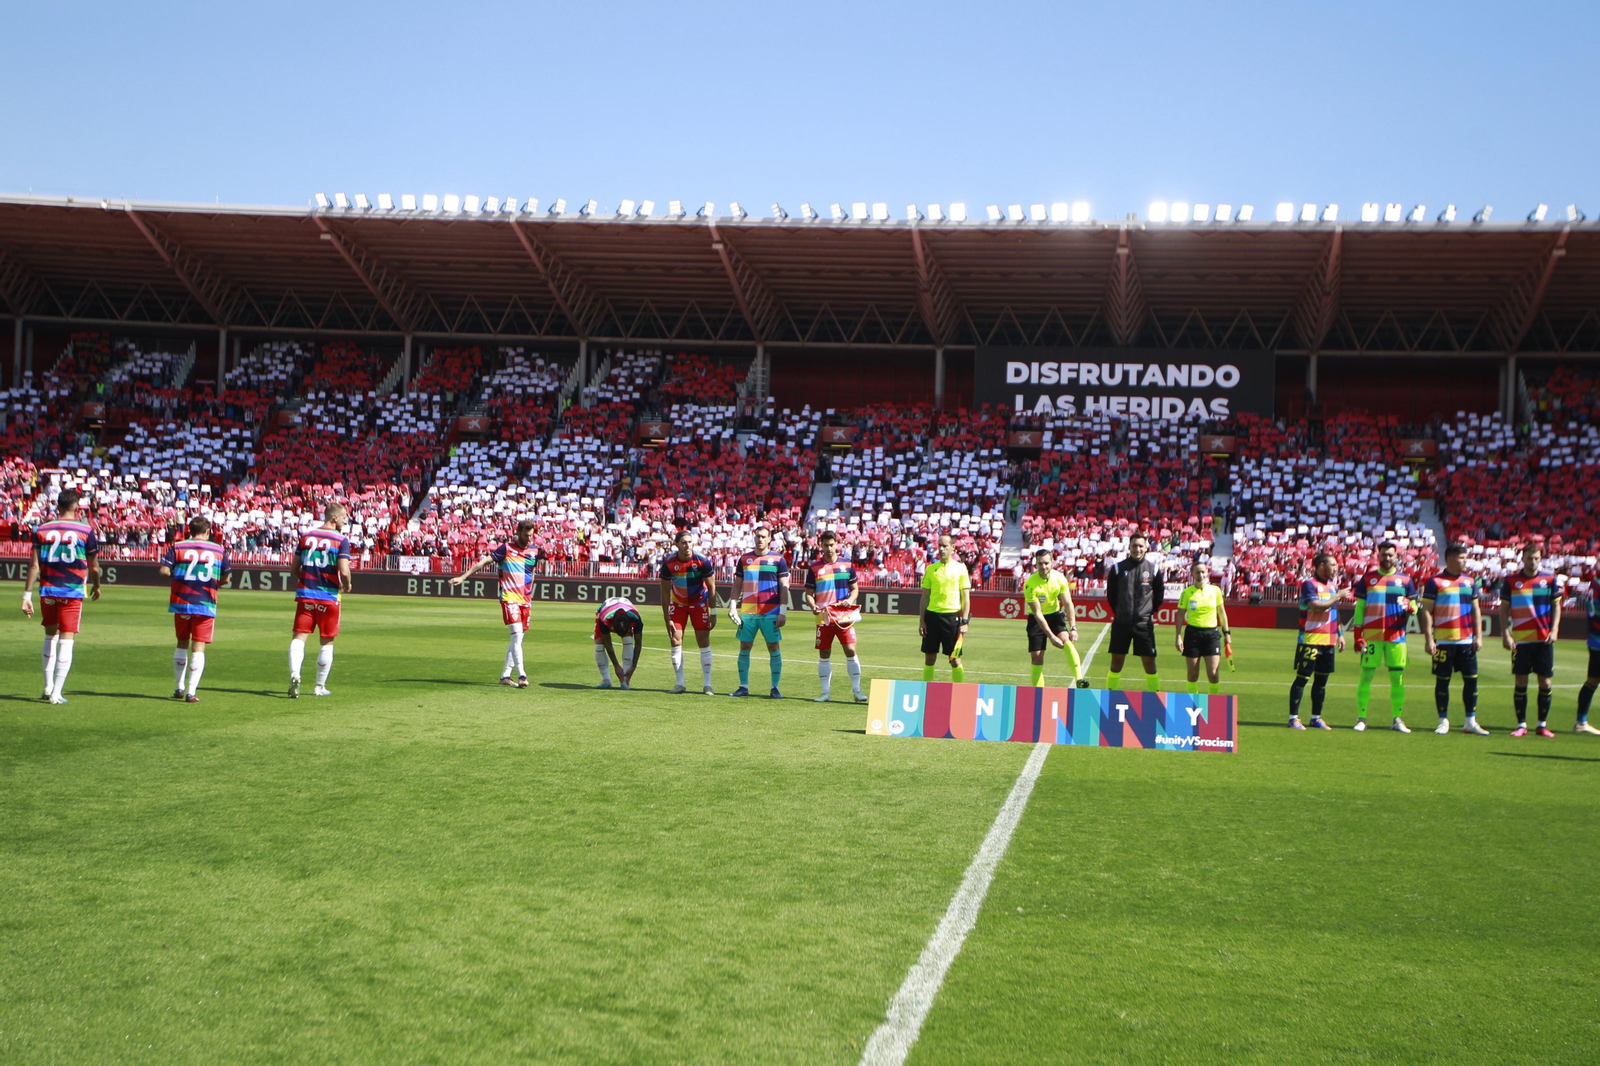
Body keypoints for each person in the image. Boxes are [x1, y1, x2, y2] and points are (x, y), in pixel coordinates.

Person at [20, 488, 101, 705]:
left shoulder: (42, 529)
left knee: (49, 636)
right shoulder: (86, 530)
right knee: (67, 639)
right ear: (76, 506)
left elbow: (34, 565)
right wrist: (97, 585)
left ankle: (47, 687)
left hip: (47, 589)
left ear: (58, 505)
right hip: (72, 591)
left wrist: (26, 595)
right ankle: (56, 692)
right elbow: (94, 567)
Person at [449, 517, 536, 687]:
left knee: (517, 640)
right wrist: (463, 577)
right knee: (517, 635)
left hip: (525, 600)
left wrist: (529, 593)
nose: (528, 539)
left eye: (531, 535)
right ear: (518, 533)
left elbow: (531, 573)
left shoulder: (534, 551)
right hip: (509, 598)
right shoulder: (506, 549)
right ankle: (522, 675)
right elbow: (483, 563)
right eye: (526, 535)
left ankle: (505, 676)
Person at [157, 515, 231, 703]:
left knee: (182, 642)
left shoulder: (178, 546)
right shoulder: (218, 549)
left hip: (181, 602)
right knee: (198, 647)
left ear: (190, 531)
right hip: (205, 602)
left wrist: (180, 576)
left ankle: (179, 687)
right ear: (207, 531)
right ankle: (191, 692)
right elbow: (226, 579)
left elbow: (164, 571)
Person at [1419, 543, 1488, 735]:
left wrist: (1478, 636)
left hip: (1467, 642)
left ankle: (1470, 721)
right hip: (1443, 641)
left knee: (1471, 681)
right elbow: (1427, 611)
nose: (1465, 561)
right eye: (1462, 558)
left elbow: (1476, 610)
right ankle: (1443, 721)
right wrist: (1429, 639)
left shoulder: (1470, 582)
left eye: (1466, 557)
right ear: (1450, 559)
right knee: (1442, 681)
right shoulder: (1435, 582)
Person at [289, 502, 353, 699]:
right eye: (343, 518)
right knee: (327, 642)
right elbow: (343, 570)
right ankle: (319, 686)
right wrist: (347, 584)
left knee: (299, 638)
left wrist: (308, 580)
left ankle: (295, 674)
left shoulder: (306, 537)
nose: (344, 521)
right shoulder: (341, 539)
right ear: (334, 518)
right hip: (329, 597)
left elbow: (293, 569)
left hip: (306, 594)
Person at [1351, 540, 1416, 732]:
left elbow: (1414, 606)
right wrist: (1357, 635)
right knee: (1366, 676)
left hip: (1396, 637)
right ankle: (1361, 718)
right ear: (1378, 556)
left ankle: (1397, 719)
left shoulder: (1406, 580)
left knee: (1397, 679)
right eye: (1384, 554)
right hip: (1371, 636)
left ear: (1396, 557)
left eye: (1390, 555)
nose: (1387, 558)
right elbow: (1360, 608)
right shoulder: (1367, 579)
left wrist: (1412, 608)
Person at [1498, 543, 1560, 738]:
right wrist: (1506, 633)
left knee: (1545, 682)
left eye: (1536, 558)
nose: (1532, 562)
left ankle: (1542, 725)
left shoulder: (1549, 579)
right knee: (1521, 680)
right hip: (1521, 640)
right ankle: (1521, 724)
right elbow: (1503, 609)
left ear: (1540, 559)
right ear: (1522, 559)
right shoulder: (1511, 581)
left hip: (1544, 639)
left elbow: (1557, 607)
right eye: (1529, 558)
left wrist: (1555, 629)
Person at [1288, 552, 1352, 729]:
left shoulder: (1332, 586)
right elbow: (1315, 607)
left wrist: (1340, 635)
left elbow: (1334, 612)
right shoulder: (1309, 584)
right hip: (1311, 639)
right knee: (1302, 679)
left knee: (1321, 682)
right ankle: (1293, 717)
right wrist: (1337, 597)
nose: (1336, 568)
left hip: (1329, 641)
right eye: (1333, 565)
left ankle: (1316, 717)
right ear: (1321, 566)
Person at [726, 526, 789, 698]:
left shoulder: (778, 559)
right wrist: (733, 606)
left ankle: (775, 687)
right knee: (745, 646)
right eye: (757, 536)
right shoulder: (744, 559)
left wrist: (782, 611)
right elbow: (737, 585)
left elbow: (784, 587)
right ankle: (743, 686)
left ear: (769, 539)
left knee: (773, 646)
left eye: (763, 536)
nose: (760, 539)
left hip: (771, 612)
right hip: (748, 612)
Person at [804, 529, 866, 703]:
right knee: (824, 653)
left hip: (844, 616)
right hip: (823, 616)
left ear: (836, 545)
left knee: (851, 650)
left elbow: (855, 590)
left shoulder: (847, 565)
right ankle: (825, 692)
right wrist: (812, 605)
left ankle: (857, 691)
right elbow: (809, 593)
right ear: (821, 546)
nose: (829, 548)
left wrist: (851, 599)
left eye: (832, 545)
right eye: (826, 545)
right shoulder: (815, 568)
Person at [658, 529, 717, 695]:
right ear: (676, 545)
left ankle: (707, 685)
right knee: (676, 640)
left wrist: (713, 612)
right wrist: (666, 617)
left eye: (690, 542)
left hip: (699, 604)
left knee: (703, 640)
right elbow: (663, 592)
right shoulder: (668, 563)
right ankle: (680, 683)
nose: (687, 546)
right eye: (683, 542)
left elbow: (712, 586)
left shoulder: (702, 561)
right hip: (678, 605)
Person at [1105, 532, 1163, 692]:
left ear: (1146, 548)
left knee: (1149, 663)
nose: (1137, 549)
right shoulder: (1118, 568)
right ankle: (1110, 695)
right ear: (1129, 547)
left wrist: (1147, 613)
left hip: (1143, 624)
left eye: (1140, 546)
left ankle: (1155, 697)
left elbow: (1159, 596)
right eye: (1134, 546)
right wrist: (1120, 612)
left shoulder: (1154, 569)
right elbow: (1111, 595)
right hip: (1121, 623)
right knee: (1116, 662)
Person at [1021, 548, 1083, 688]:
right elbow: (1037, 613)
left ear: (1052, 563)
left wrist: (1073, 628)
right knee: (1037, 658)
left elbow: (1068, 604)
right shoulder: (1030, 584)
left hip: (1054, 615)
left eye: (1046, 563)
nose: (1043, 566)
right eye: (1040, 563)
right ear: (1035, 564)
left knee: (1067, 641)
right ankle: (1038, 692)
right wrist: (1051, 636)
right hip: (1037, 619)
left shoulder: (1060, 578)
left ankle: (1079, 679)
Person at [919, 533, 971, 683]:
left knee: (954, 659)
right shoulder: (931, 569)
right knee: (929, 658)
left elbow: (965, 597)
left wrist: (965, 620)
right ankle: (926, 691)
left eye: (945, 546)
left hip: (951, 618)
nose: (941, 549)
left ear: (952, 548)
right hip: (932, 617)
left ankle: (959, 693)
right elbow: (925, 597)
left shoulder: (960, 568)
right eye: (939, 545)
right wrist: (922, 621)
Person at [1175, 560, 1229, 696]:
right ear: (1192, 574)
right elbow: (1180, 615)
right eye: (1197, 572)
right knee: (1193, 674)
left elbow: (1222, 613)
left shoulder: (1215, 591)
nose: (1201, 575)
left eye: (1203, 572)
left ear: (1207, 573)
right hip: (1193, 634)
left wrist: (1227, 633)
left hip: (1211, 634)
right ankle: (1192, 704)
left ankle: (1214, 704)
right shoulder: (1187, 593)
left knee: (1213, 674)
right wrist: (1178, 636)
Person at [594, 595, 644, 690]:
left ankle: (625, 680)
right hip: (605, 610)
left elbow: (638, 644)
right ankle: (606, 680)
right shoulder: (604, 620)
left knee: (628, 639)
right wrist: (616, 665)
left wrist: (633, 666)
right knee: (599, 645)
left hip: (625, 610)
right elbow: (608, 643)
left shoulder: (636, 618)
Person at [1576, 573, 1600, 735]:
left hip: (1595, 639)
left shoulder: (1596, 582)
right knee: (1592, 680)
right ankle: (1581, 722)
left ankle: (1581, 721)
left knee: (1593, 680)